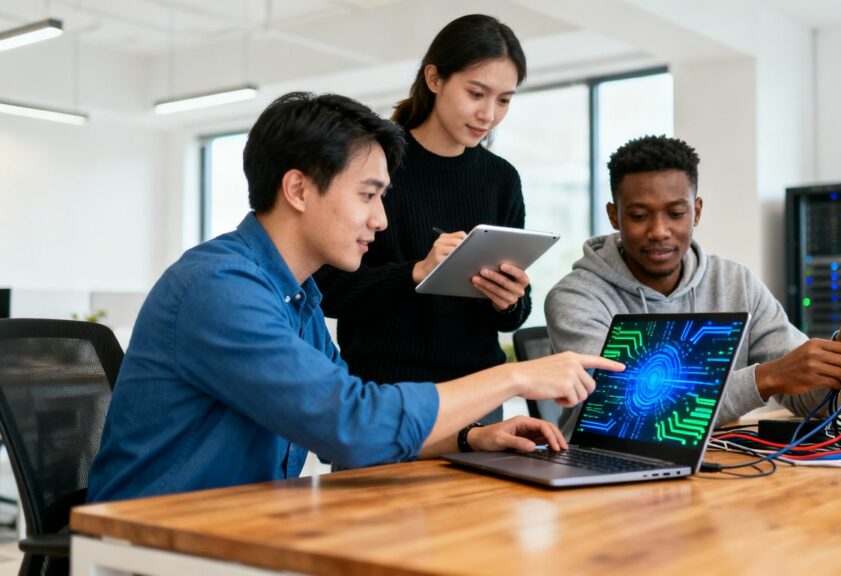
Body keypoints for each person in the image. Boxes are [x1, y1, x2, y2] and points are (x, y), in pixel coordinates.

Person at [87, 92, 623, 503]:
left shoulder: (295, 295)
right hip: (151, 542)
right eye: (367, 194)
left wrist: (472, 439)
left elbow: (349, 420)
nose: (381, 219)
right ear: (298, 189)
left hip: (232, 523)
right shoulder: (220, 288)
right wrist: (515, 376)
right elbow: (353, 426)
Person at [545, 135, 841, 429]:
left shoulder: (735, 283)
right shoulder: (577, 297)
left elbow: (811, 403)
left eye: (676, 214)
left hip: (714, 470)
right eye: (638, 216)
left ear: (697, 211)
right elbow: (633, 415)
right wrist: (767, 377)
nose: (659, 231)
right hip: (600, 475)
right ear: (613, 215)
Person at [314, 15, 531, 425]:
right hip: (384, 399)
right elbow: (328, 290)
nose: (488, 114)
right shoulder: (373, 166)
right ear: (434, 78)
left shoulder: (502, 179)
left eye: (503, 100)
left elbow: (512, 319)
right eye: (476, 93)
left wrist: (511, 299)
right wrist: (416, 272)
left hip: (479, 397)